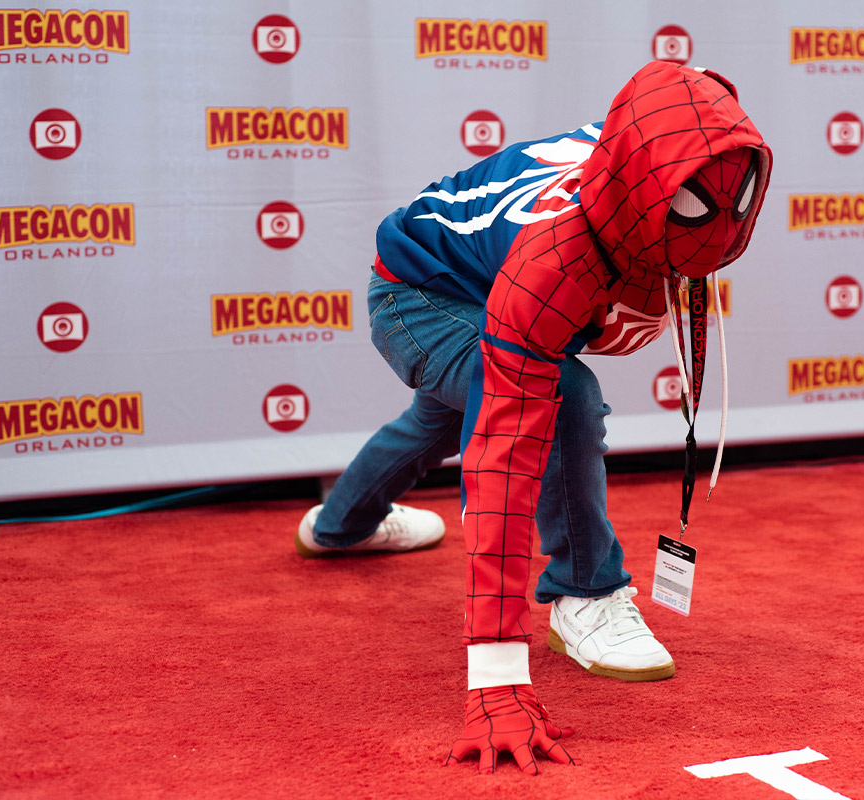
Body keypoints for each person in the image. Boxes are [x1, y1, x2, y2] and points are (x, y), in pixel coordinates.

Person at [295, 60, 772, 774]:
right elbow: (501, 462)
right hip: (416, 295)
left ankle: (338, 525)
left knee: (438, 417)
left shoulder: (662, 155)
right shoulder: (555, 254)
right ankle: (584, 591)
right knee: (561, 395)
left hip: (477, 275)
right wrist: (496, 680)